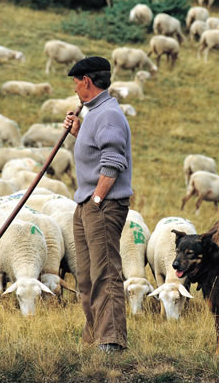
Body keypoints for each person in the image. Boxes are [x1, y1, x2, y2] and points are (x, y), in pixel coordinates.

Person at [63, 56, 132, 353]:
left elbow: (114, 161)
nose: (75, 89)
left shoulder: (108, 115)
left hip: (102, 205)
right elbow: (98, 150)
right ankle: (94, 337)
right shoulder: (96, 113)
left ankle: (112, 341)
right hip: (89, 203)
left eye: (76, 83)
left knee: (105, 273)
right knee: (87, 276)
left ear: (87, 82)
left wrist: (96, 200)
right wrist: (79, 131)